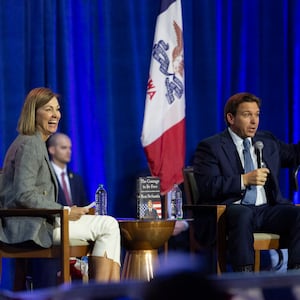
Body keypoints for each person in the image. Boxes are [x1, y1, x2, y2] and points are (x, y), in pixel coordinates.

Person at [0, 87, 121, 288]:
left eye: (57, 109)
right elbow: (24, 194)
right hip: (30, 227)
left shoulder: (34, 142)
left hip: (41, 222)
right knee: (107, 226)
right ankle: (103, 292)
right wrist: (64, 211)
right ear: (34, 112)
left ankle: (103, 291)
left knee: (106, 225)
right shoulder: (30, 143)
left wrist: (70, 212)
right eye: (48, 109)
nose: (55, 114)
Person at [193, 92, 300, 272]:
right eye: (247, 114)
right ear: (231, 118)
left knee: (297, 214)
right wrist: (243, 180)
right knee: (243, 214)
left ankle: (295, 276)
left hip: (266, 210)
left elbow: (294, 154)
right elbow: (207, 186)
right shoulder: (211, 147)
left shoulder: (267, 141)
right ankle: (245, 281)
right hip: (230, 211)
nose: (254, 121)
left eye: (257, 114)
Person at [47, 132, 89, 207]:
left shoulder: (77, 179)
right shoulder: (45, 176)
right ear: (52, 150)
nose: (68, 152)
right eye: (64, 148)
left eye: (70, 148)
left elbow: (84, 206)